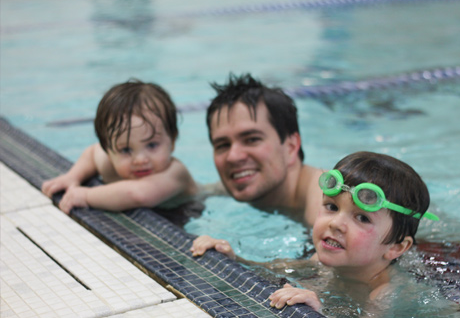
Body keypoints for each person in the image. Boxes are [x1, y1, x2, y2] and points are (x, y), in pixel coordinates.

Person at [191, 151, 439, 313]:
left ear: (396, 247)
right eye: (331, 207)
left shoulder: (385, 293)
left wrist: (318, 312)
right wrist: (232, 258)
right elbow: (268, 270)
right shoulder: (320, 262)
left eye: (362, 217)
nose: (336, 223)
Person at [42, 79, 198, 214]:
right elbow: (92, 152)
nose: (140, 159)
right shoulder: (108, 160)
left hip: (188, 209)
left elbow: (138, 195)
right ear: (108, 151)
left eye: (152, 145)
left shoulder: (176, 173)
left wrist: (85, 196)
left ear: (173, 141)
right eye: (126, 150)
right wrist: (73, 177)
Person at [206, 73, 322, 226]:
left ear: (291, 147)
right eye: (223, 145)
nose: (233, 157)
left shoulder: (325, 197)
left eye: (252, 139)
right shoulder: (240, 181)